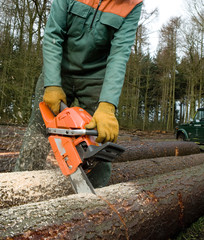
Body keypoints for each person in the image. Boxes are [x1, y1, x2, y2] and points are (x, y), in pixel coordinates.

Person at [14, 0, 143, 188]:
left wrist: (107, 105)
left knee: (97, 139)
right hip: (58, 68)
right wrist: (51, 84)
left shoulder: (133, 4)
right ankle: (20, 186)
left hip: (96, 77)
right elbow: (53, 33)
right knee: (39, 131)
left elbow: (119, 54)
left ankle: (94, 200)